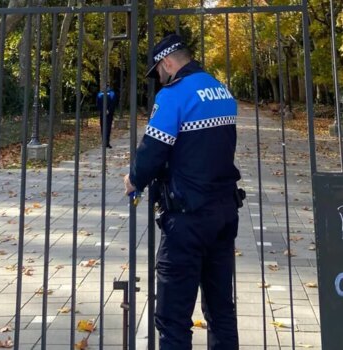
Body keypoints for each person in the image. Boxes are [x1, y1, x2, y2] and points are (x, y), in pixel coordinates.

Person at [124, 34, 241, 349]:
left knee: (173, 318)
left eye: (158, 72)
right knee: (221, 311)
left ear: (168, 62)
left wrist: (134, 180)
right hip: (224, 212)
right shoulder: (221, 90)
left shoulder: (173, 95)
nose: (158, 78)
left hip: (187, 218)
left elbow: (152, 151)